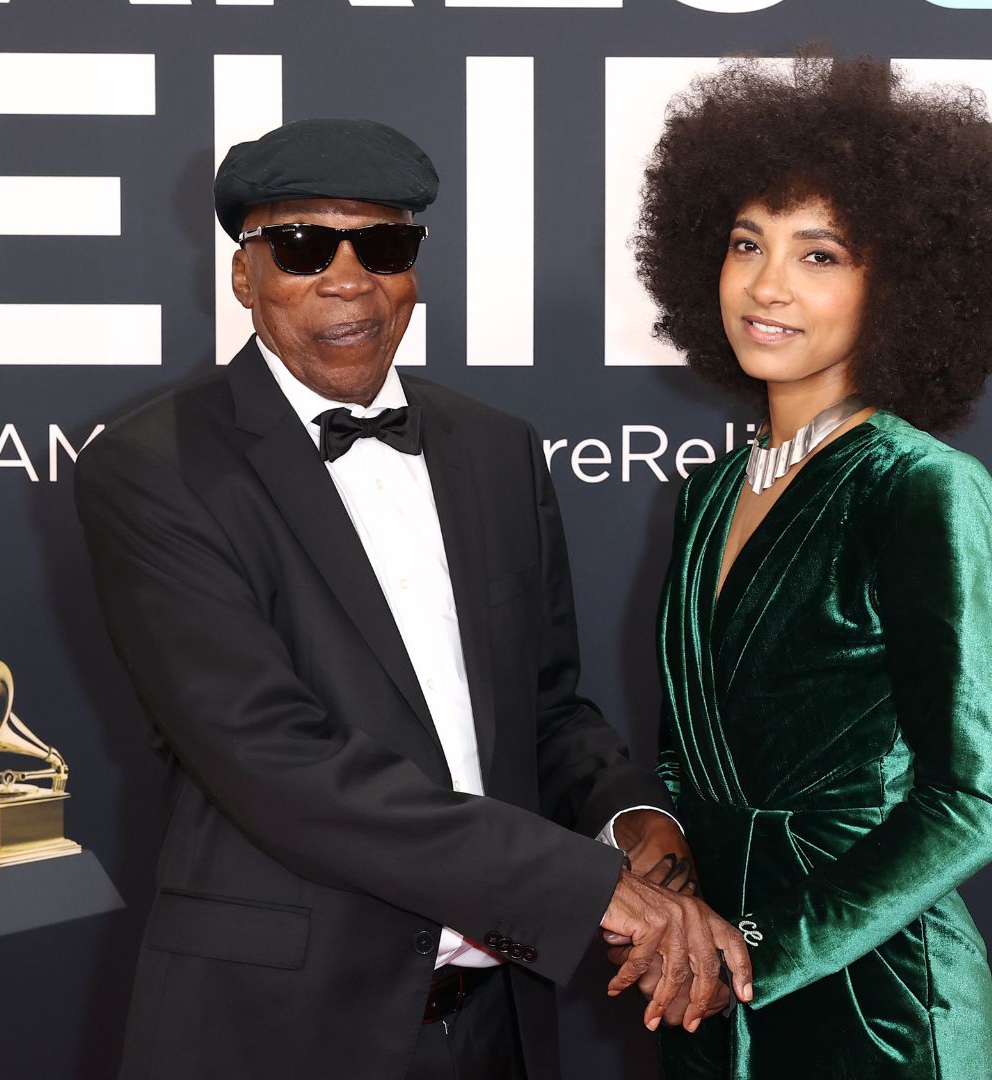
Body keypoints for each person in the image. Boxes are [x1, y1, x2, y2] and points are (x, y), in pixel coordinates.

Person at [74, 118, 751, 1080]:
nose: (349, 280)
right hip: (279, 1031)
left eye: (383, 246)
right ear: (244, 276)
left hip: (495, 1028)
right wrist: (584, 888)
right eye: (304, 247)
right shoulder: (156, 468)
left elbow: (548, 708)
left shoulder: (497, 447)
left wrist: (634, 825)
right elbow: (272, 756)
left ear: (414, 271)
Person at [615, 57, 992, 1077]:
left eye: (820, 254)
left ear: (900, 284)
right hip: (704, 989)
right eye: (746, 243)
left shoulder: (919, 485)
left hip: (875, 1002)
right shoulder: (706, 493)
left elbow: (973, 803)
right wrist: (673, 912)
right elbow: (685, 760)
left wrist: (756, 952)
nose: (768, 285)